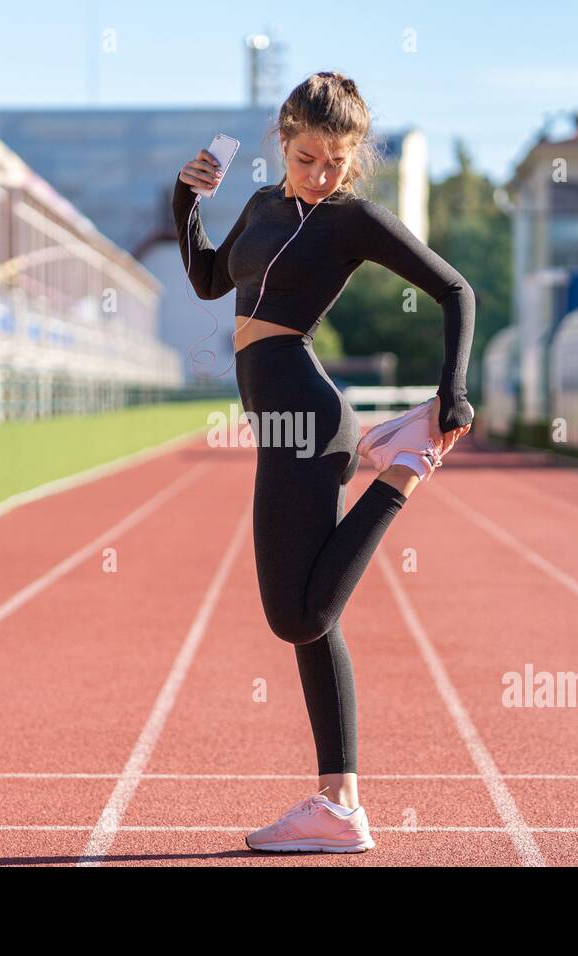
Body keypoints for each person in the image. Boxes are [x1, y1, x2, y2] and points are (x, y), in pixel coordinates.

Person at [172, 71, 476, 852]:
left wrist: (452, 390)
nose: (321, 175)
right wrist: (185, 203)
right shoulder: (264, 207)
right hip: (283, 418)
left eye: (336, 161)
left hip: (305, 417)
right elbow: (211, 280)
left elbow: (456, 291)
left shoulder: (353, 221)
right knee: (308, 622)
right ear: (283, 142)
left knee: (298, 614)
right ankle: (338, 805)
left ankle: (404, 466)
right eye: (308, 158)